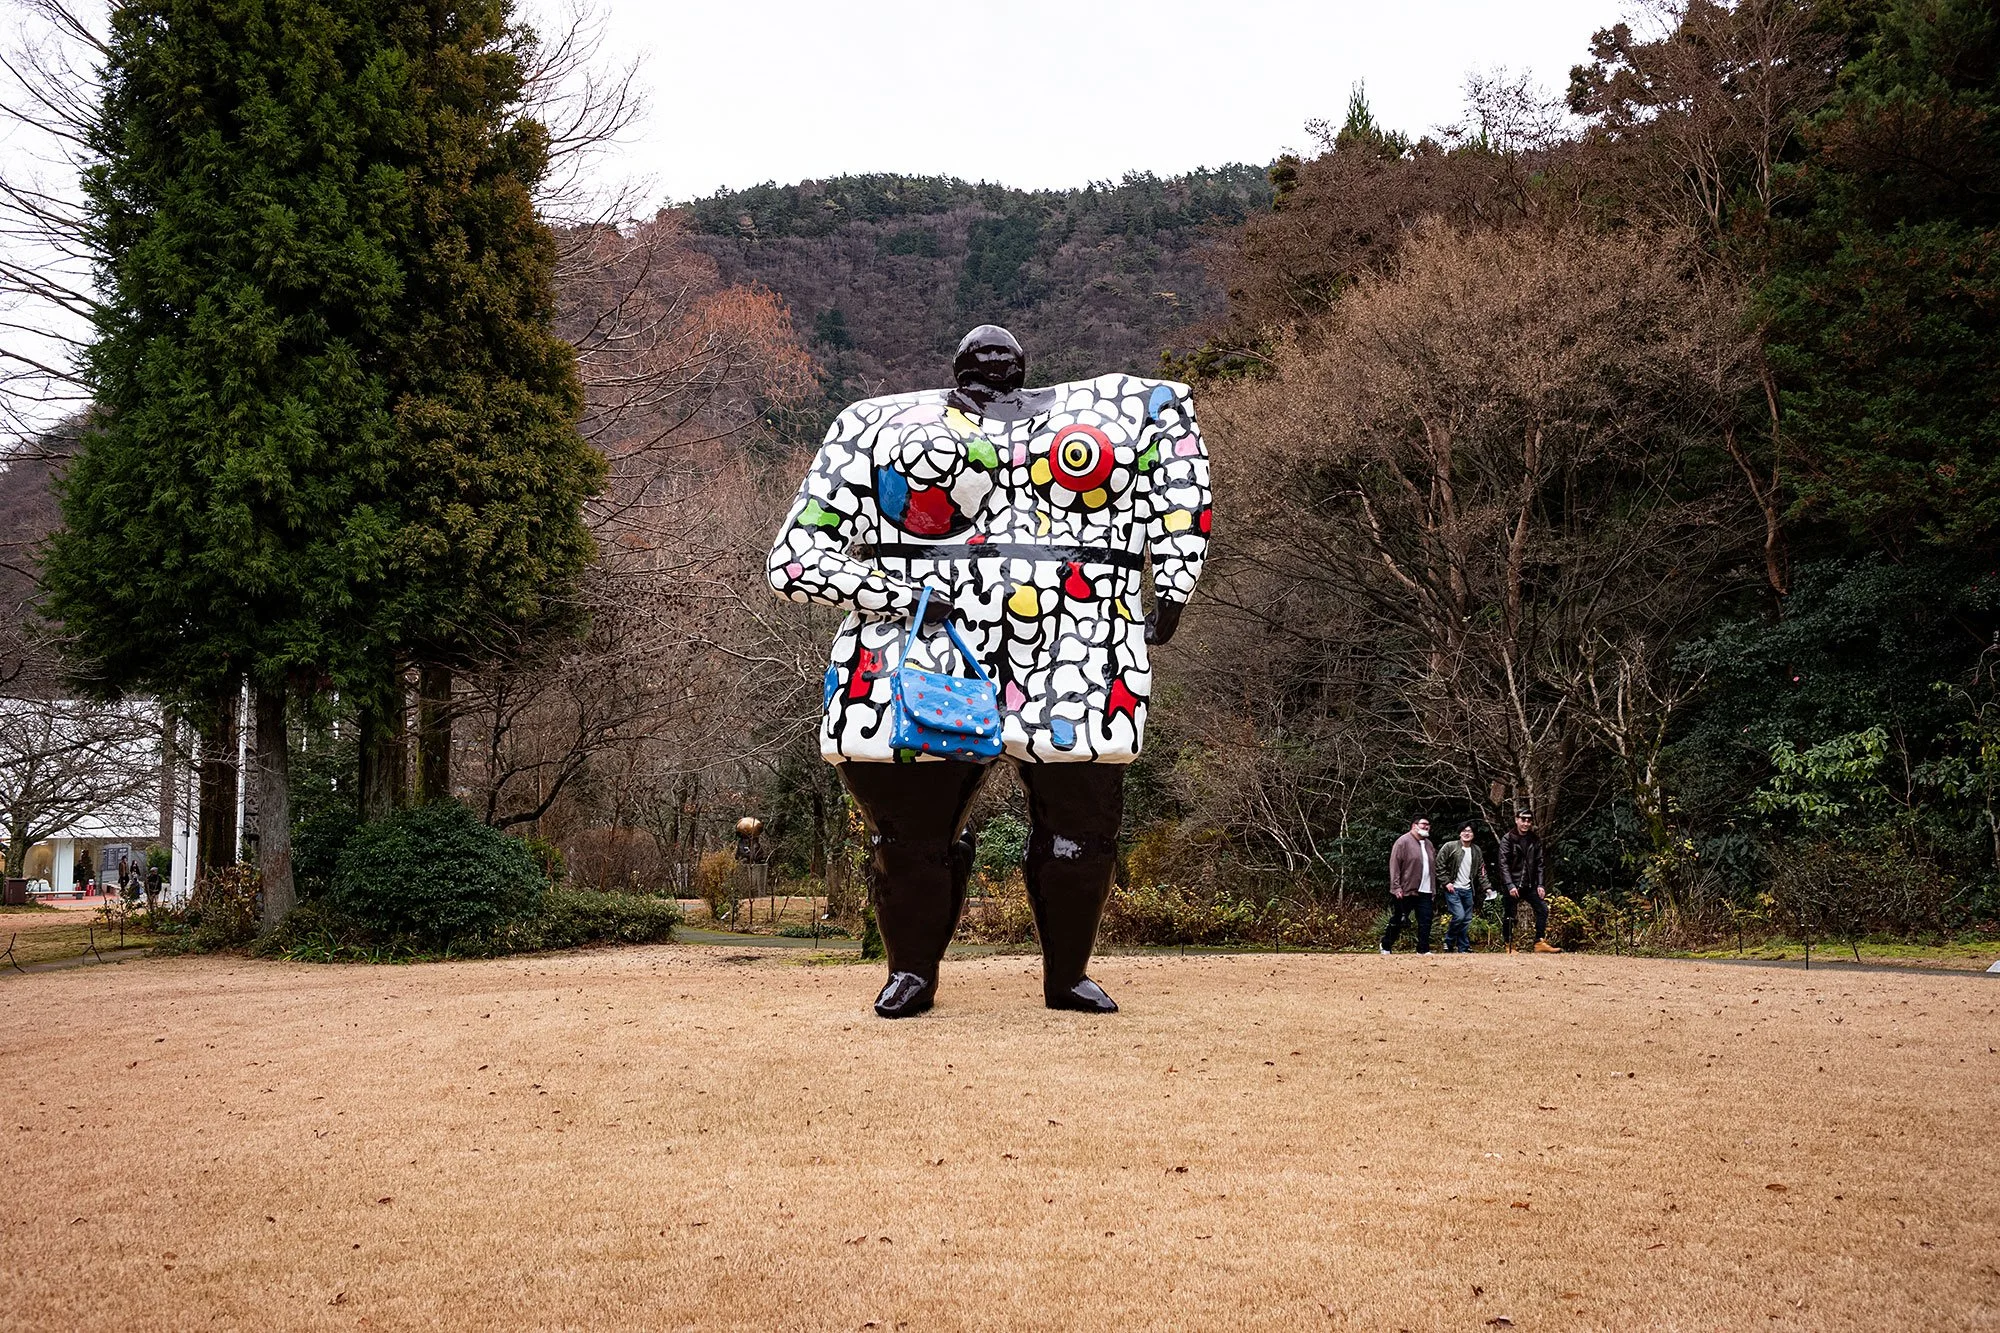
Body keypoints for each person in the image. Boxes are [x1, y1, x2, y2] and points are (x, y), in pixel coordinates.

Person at [768, 324, 1211, 1017]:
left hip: (1078, 646)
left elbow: (1180, 477)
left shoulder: (1128, 412)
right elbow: (794, 558)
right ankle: (910, 970)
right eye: (982, 357)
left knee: (1084, 824)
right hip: (920, 651)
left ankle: (1067, 974)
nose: (994, 362)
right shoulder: (876, 424)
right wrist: (903, 594)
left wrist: (1176, 578)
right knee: (912, 833)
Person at [1498, 809, 1560, 953]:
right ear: (1516, 820)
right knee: (1509, 915)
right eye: (1523, 819)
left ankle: (1539, 942)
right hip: (1512, 884)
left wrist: (1540, 884)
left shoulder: (1534, 839)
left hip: (1529, 884)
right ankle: (1509, 945)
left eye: (1529, 820)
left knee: (1542, 909)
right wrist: (1509, 884)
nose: (1526, 823)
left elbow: (1539, 863)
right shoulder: (1508, 839)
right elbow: (1503, 864)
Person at [1381, 816, 1436, 954]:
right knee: (1399, 919)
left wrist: (1433, 889)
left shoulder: (1429, 844)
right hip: (1406, 889)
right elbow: (1394, 865)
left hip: (1426, 889)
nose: (1426, 827)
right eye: (1423, 824)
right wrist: (1396, 886)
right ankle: (1386, 944)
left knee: (1426, 919)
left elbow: (1432, 867)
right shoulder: (1402, 842)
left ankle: (1423, 949)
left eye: (1428, 824)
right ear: (1414, 826)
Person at [1435, 822, 1488, 953]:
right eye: (1464, 831)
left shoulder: (1476, 850)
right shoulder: (1450, 846)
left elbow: (1482, 871)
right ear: (1459, 833)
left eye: (1470, 831)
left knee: (1467, 919)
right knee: (1459, 916)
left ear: (1473, 834)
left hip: (1468, 889)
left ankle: (1463, 947)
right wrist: (1446, 882)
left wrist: (1487, 887)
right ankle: (1448, 941)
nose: (1466, 833)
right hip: (1453, 888)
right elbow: (1439, 865)